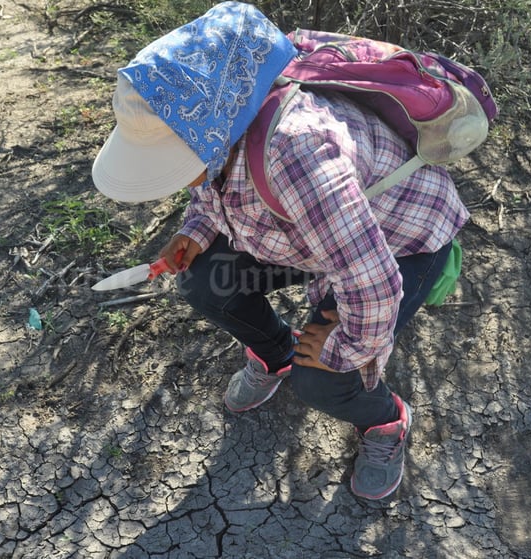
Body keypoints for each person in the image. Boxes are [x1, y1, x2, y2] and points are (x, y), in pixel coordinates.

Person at [92, 2, 468, 500]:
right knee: (205, 279)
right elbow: (214, 188)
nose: (172, 173)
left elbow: (373, 284)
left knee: (324, 381)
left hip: (403, 246)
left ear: (214, 128)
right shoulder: (222, 121)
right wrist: (198, 230)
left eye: (174, 157)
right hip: (314, 238)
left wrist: (343, 351)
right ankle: (277, 356)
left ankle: (385, 422)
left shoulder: (298, 151)